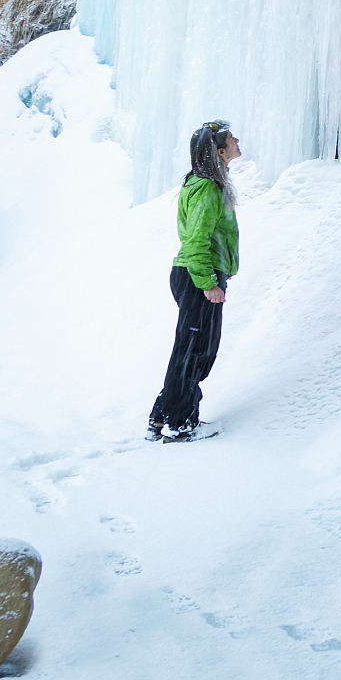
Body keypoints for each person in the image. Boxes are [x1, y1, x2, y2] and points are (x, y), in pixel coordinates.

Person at [148, 121, 242, 442]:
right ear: (219, 151)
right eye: (231, 139)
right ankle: (183, 423)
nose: (237, 140)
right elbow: (197, 239)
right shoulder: (208, 189)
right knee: (197, 352)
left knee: (188, 350)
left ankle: (162, 415)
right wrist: (208, 283)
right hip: (197, 276)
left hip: (191, 274)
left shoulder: (201, 184)